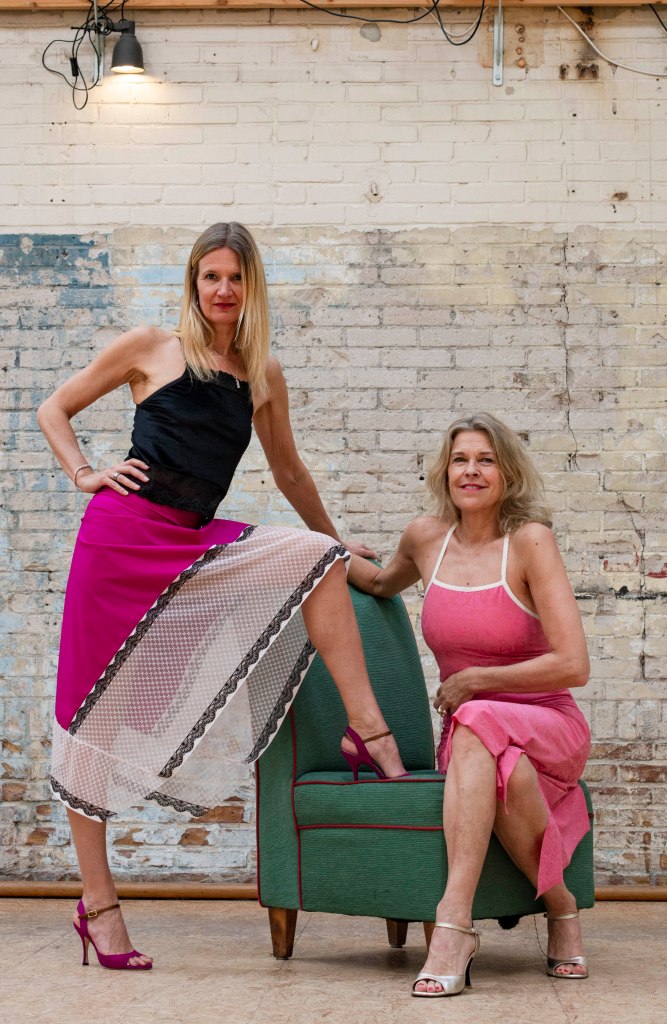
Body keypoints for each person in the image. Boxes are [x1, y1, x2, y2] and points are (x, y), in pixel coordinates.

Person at [37, 222, 406, 971]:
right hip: (118, 543)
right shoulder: (150, 346)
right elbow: (54, 409)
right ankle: (99, 906)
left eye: (236, 277)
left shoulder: (261, 372)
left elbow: (290, 471)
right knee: (93, 716)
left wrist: (339, 544)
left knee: (314, 557)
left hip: (190, 541)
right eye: (211, 276)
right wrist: (84, 473)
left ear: (251, 285)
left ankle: (368, 730)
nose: (223, 290)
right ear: (194, 282)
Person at [347, 412, 591, 996]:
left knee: (476, 718)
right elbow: (379, 584)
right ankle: (562, 907)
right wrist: (324, 549)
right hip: (473, 737)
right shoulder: (425, 538)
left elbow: (574, 665)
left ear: (507, 473)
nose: (471, 471)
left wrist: (477, 681)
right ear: (445, 471)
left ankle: (453, 924)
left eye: (486, 460)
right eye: (461, 460)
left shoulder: (530, 541)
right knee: (498, 758)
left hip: (548, 723)